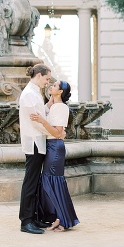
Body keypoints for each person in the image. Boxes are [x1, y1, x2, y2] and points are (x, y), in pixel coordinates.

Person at [18, 63, 64, 234]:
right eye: (46, 79)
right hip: (34, 143)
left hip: (39, 142)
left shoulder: (34, 92)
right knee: (30, 182)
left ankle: (34, 217)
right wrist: (56, 133)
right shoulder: (29, 94)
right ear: (38, 76)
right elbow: (36, 122)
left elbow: (41, 115)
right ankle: (26, 221)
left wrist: (49, 105)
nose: (47, 82)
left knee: (35, 182)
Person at [30, 80, 80, 231]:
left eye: (55, 86)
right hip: (52, 147)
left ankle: (64, 220)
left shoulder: (61, 108)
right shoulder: (55, 106)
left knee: (51, 182)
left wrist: (42, 121)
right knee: (50, 183)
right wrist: (49, 105)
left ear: (60, 92)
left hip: (55, 148)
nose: (51, 86)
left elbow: (58, 133)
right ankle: (62, 218)